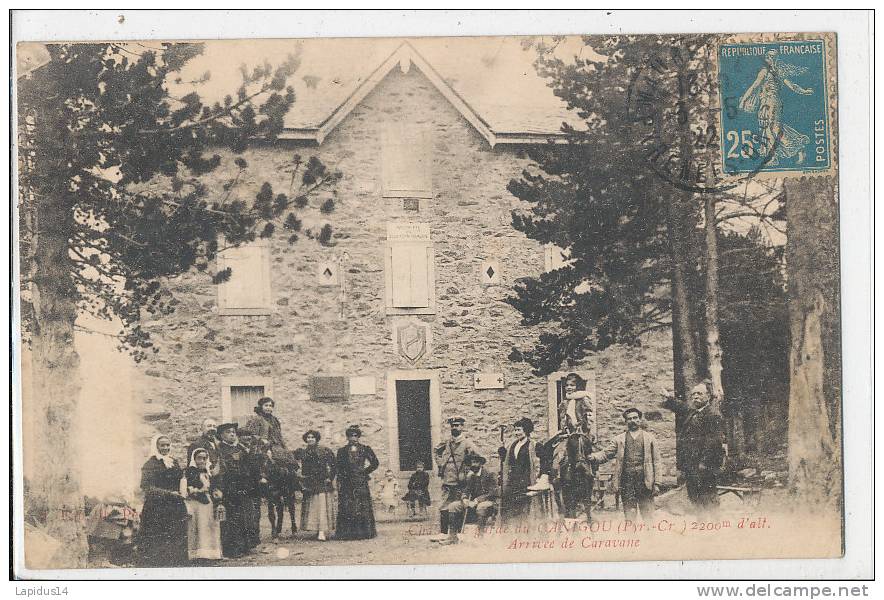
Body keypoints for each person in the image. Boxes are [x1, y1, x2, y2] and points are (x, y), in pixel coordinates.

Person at [663, 383, 727, 514]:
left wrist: (704, 463)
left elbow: (713, 442)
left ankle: (715, 525)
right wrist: (669, 398)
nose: (695, 396)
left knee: (708, 496)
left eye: (699, 393)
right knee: (694, 496)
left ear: (708, 396)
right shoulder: (693, 412)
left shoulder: (713, 414)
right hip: (692, 464)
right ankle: (701, 523)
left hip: (705, 465)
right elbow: (682, 407)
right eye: (693, 394)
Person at [590, 407, 662, 522]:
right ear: (626, 422)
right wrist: (593, 456)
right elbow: (606, 454)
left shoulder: (649, 438)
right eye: (629, 419)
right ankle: (631, 538)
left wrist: (657, 483)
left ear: (640, 419)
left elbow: (657, 461)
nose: (633, 421)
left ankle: (651, 538)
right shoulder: (619, 439)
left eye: (635, 418)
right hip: (627, 482)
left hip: (645, 482)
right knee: (629, 516)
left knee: (648, 516)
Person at [136, 434, 188, 567]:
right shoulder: (150, 464)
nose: (165, 448)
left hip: (175, 504)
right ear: (156, 446)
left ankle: (175, 563)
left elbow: (180, 479)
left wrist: (183, 489)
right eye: (162, 445)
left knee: (175, 534)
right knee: (159, 535)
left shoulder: (173, 462)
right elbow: (147, 487)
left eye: (167, 445)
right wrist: (169, 494)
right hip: (157, 506)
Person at [432, 417, 477, 540]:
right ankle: (443, 532)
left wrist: (470, 472)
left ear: (462, 427)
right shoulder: (447, 442)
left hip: (460, 481)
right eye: (452, 425)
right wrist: (440, 463)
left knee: (457, 505)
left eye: (457, 425)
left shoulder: (467, 443)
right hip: (447, 480)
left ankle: (456, 533)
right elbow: (435, 451)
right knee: (443, 505)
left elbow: (478, 458)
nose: (454, 428)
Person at [439, 455, 499, 545]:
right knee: (453, 506)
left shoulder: (490, 474)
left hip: (489, 502)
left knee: (481, 507)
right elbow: (466, 491)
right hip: (472, 502)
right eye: (471, 463)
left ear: (481, 464)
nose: (473, 465)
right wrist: (465, 499)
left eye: (476, 462)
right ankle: (453, 537)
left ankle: (480, 537)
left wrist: (477, 500)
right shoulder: (471, 476)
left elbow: (493, 492)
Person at [335, 425, 380, 540]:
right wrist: (340, 480)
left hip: (360, 481)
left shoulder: (365, 449)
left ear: (358, 437)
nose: (353, 438)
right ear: (347, 437)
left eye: (355, 436)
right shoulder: (342, 451)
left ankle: (364, 532)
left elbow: (375, 463)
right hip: (347, 482)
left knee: (361, 505)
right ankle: (347, 533)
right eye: (350, 436)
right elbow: (338, 467)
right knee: (348, 505)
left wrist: (364, 472)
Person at [216, 422, 252, 558]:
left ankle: (244, 546)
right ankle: (232, 549)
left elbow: (247, 467)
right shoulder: (220, 449)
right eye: (228, 432)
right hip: (228, 487)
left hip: (241, 487)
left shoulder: (240, 448)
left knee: (243, 517)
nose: (232, 434)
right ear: (221, 435)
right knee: (230, 519)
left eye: (233, 432)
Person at [293, 429, 336, 541]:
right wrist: (299, 476)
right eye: (308, 437)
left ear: (316, 439)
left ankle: (322, 531)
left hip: (322, 482)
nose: (310, 439)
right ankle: (316, 529)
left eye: (312, 437)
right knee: (313, 507)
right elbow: (293, 462)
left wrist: (329, 477)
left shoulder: (324, 450)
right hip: (309, 482)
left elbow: (333, 465)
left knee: (321, 507)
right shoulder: (302, 452)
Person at [181, 448, 223, 561]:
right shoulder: (190, 472)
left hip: (207, 503)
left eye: (204, 458)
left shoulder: (207, 472)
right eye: (199, 458)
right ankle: (198, 554)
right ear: (194, 459)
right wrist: (198, 490)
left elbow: (212, 486)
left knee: (209, 527)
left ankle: (210, 553)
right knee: (199, 527)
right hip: (196, 504)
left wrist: (215, 492)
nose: (202, 461)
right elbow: (186, 489)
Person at [499, 417, 541, 523]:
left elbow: (536, 464)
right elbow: (508, 462)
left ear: (526, 430)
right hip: (513, 481)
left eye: (519, 430)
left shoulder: (533, 445)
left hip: (526, 481)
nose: (516, 433)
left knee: (525, 509)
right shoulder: (512, 445)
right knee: (512, 510)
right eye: (515, 430)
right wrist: (502, 454)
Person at [237, 426, 266, 550]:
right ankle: (247, 543)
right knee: (247, 514)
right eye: (244, 436)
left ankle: (254, 540)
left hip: (254, 485)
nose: (247, 438)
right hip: (245, 485)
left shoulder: (253, 450)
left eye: (249, 436)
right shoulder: (238, 450)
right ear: (239, 437)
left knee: (256, 512)